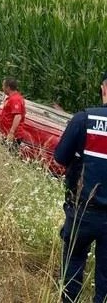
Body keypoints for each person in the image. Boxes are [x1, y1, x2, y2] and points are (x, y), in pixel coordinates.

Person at [54, 72, 107, 303]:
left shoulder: (83, 119)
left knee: (73, 266)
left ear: (103, 89)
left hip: (82, 212)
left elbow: (60, 158)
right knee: (106, 280)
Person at [0, 77, 26, 145]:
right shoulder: (12, 98)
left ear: (8, 88)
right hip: (6, 133)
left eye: (3, 86)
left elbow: (18, 116)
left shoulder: (15, 99)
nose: (2, 88)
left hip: (12, 135)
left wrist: (11, 132)